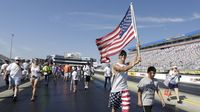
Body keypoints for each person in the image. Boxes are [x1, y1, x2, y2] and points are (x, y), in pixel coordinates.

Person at [108, 46, 141, 112]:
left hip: (125, 90)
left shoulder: (127, 64)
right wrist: (133, 64)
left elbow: (134, 60)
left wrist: (137, 49)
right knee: (114, 109)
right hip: (115, 90)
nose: (123, 56)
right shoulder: (115, 65)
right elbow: (123, 69)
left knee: (126, 109)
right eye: (121, 55)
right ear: (119, 57)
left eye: (124, 55)